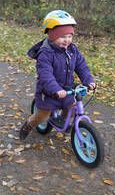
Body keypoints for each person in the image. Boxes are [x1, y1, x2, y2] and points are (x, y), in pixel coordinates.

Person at [19, 10, 96, 140]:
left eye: (70, 36)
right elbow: (46, 75)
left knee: (73, 108)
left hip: (66, 89)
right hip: (49, 91)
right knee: (42, 116)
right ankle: (29, 124)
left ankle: (62, 121)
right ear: (52, 35)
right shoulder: (45, 54)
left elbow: (81, 65)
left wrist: (88, 80)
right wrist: (56, 89)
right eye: (62, 36)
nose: (67, 40)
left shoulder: (72, 50)